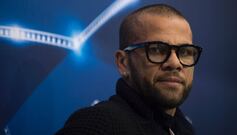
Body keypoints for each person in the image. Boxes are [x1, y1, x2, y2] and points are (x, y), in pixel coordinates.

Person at [56, 3, 202, 135]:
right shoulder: (98, 124)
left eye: (185, 52)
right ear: (123, 62)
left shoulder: (184, 129)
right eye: (157, 49)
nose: (175, 63)